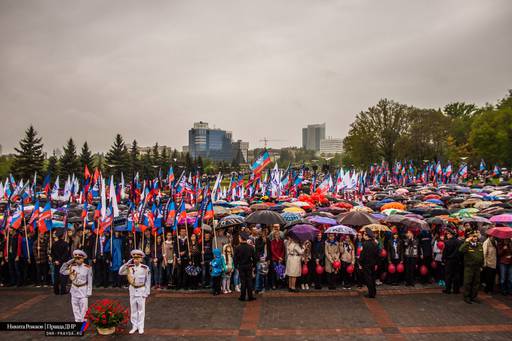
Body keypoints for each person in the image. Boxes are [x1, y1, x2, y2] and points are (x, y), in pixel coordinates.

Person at [119, 249, 151, 334]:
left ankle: (140, 327)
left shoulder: (145, 268)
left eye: (138, 258)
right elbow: (120, 272)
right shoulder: (129, 267)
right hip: (132, 290)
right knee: (133, 310)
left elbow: (148, 281)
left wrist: (146, 292)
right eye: (134, 258)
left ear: (141, 259)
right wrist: (126, 264)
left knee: (141, 310)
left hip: (141, 290)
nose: (136, 260)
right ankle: (134, 326)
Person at [59, 249, 92, 322]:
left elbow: (90, 281)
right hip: (74, 290)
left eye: (79, 258)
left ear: (83, 258)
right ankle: (77, 323)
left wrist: (89, 291)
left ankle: (83, 325)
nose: (78, 259)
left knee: (84, 309)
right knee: (75, 309)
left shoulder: (88, 268)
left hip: (83, 290)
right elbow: (62, 271)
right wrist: (68, 262)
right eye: (76, 258)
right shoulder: (72, 266)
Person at [459, 231, 484, 304]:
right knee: (468, 282)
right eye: (473, 236)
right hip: (469, 267)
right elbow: (460, 250)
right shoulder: (467, 245)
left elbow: (481, 256)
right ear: (470, 237)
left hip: (477, 268)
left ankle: (474, 297)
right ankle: (466, 297)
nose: (475, 238)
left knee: (476, 283)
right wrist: (466, 242)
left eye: (476, 236)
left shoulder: (479, 245)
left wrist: (481, 265)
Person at [234, 232, 256, 301]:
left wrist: (236, 266)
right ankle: (250, 296)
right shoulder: (251, 247)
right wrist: (254, 265)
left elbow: (235, 259)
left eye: (239, 238)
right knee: (249, 281)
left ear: (241, 238)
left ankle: (242, 296)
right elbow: (254, 257)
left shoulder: (238, 248)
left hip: (241, 266)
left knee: (243, 281)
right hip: (249, 265)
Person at [359, 228, 379, 298]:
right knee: (372, 278)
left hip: (366, 264)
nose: (363, 235)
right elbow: (378, 254)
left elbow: (362, 255)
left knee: (368, 279)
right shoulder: (375, 243)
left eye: (364, 234)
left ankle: (371, 293)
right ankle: (373, 292)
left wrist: (360, 263)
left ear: (367, 235)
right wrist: (376, 263)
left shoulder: (365, 244)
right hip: (373, 264)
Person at [442, 228, 462, 294]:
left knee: (448, 275)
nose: (447, 235)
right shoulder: (459, 242)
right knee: (456, 275)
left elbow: (444, 252)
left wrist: (443, 259)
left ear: (451, 235)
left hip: (449, 261)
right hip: (457, 261)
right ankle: (456, 290)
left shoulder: (447, 242)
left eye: (447, 234)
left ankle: (448, 290)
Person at [51, 229, 70, 295]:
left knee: (56, 276)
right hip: (63, 262)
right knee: (63, 277)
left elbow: (52, 254)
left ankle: (56, 291)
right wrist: (60, 260)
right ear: (62, 236)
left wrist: (55, 261)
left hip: (56, 262)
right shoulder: (65, 244)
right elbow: (66, 254)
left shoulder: (54, 244)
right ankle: (63, 290)